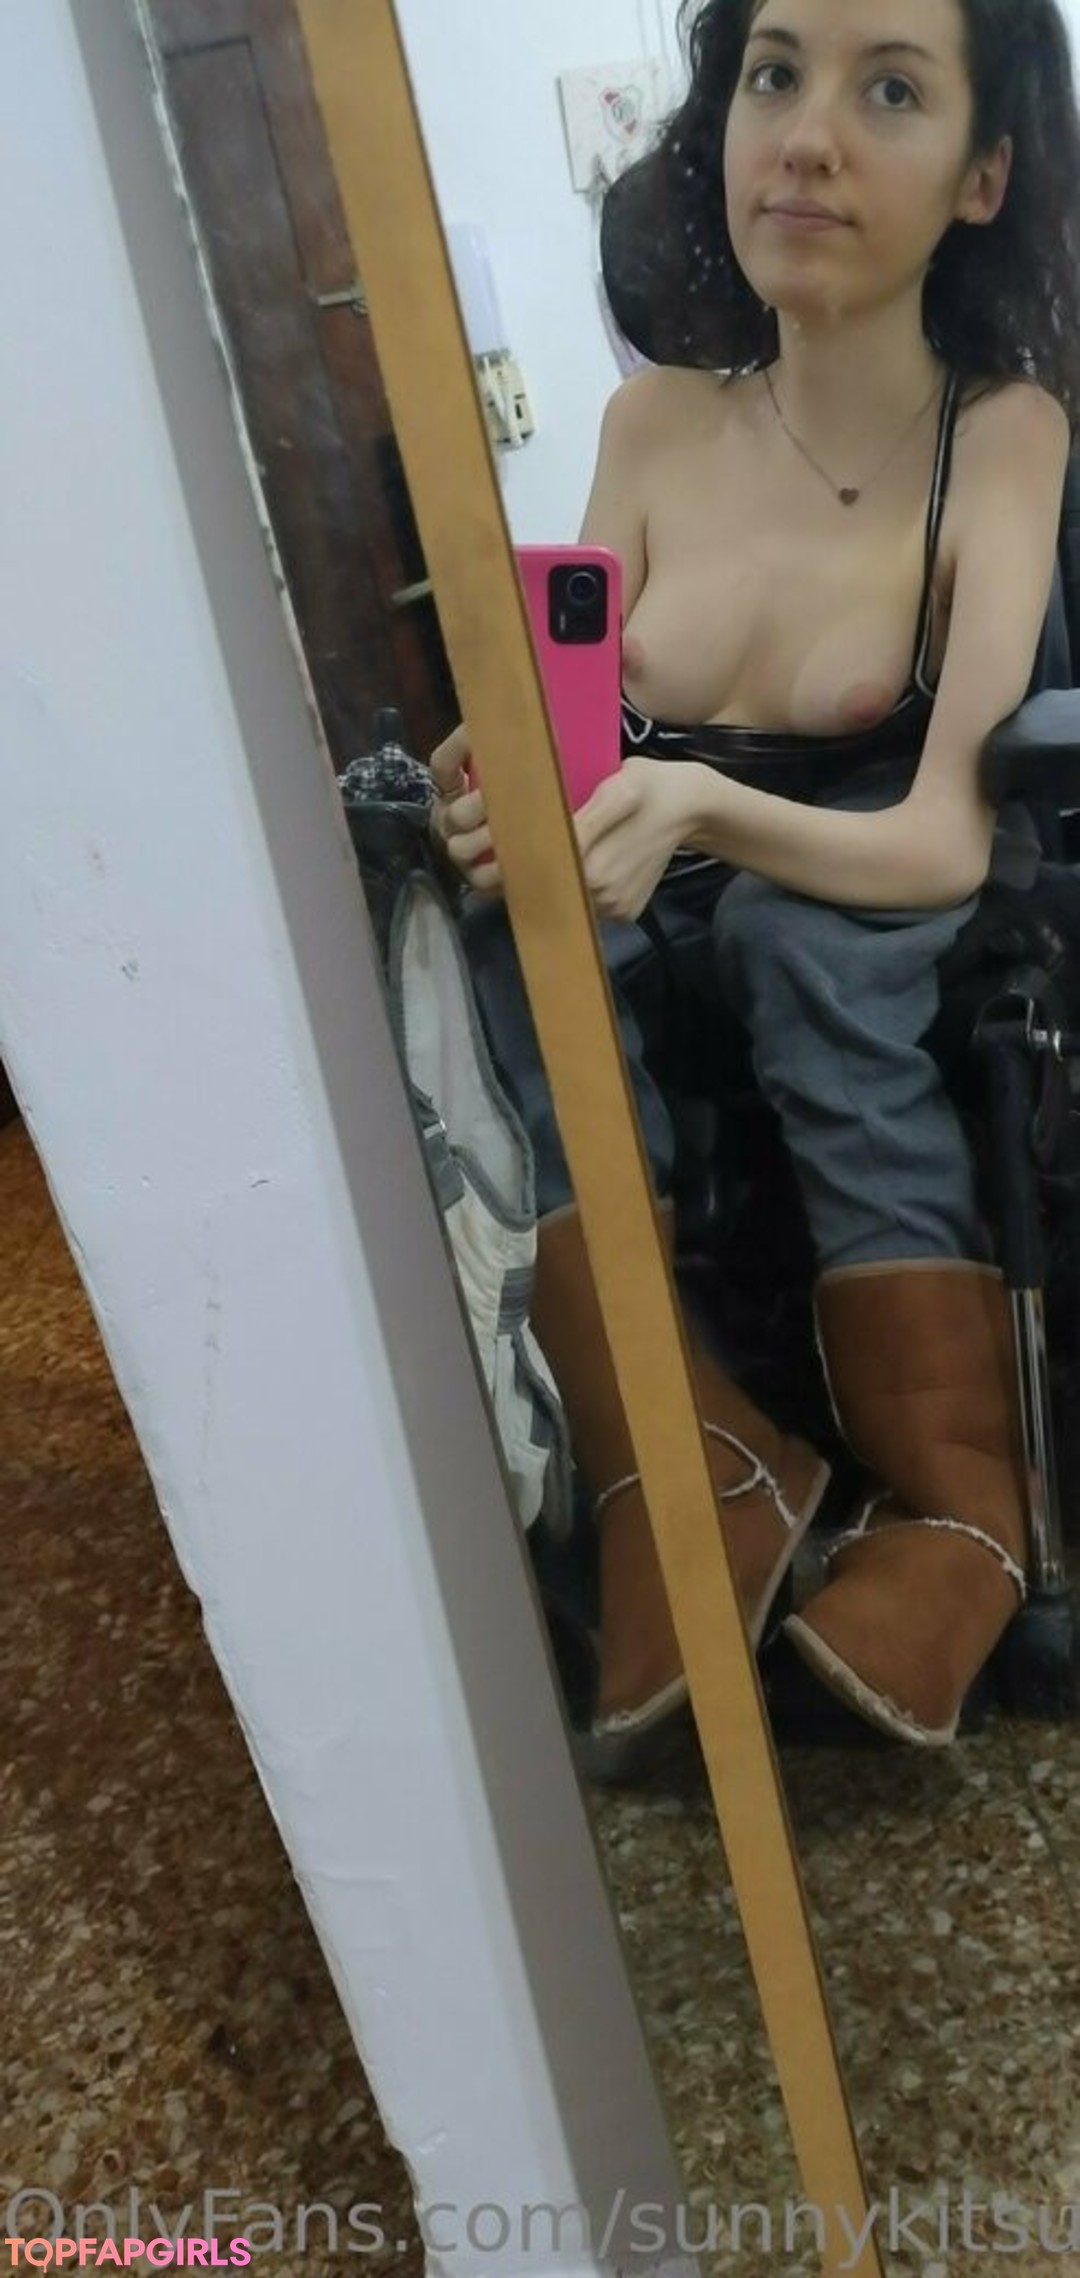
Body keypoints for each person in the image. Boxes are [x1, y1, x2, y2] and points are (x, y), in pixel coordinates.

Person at [429, 0, 1080, 1766]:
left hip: (882, 875)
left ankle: (966, 1499)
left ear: (983, 175)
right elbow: (578, 740)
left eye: (892, 91)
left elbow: (947, 834)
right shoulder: (651, 425)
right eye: (775, 74)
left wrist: (704, 810)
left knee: (806, 947)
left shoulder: (1003, 434)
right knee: (505, 939)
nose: (804, 137)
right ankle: (689, 1459)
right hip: (665, 863)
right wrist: (504, 787)